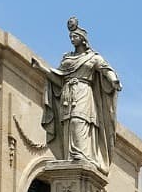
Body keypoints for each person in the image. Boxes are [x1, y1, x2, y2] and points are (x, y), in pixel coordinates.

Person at [42, 16, 121, 172]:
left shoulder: (93, 57)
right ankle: (69, 156)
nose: (72, 39)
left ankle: (81, 155)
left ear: (83, 39)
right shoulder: (67, 58)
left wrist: (113, 80)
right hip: (67, 94)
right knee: (67, 123)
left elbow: (106, 69)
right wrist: (41, 69)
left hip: (84, 92)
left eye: (75, 36)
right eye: (70, 37)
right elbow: (59, 79)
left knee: (78, 121)